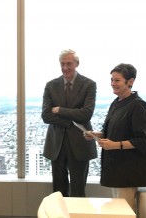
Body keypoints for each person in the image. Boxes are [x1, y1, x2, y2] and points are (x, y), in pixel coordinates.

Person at [85, 63, 146, 212]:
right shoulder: (117, 103)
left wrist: (115, 145)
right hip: (116, 169)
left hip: (128, 171)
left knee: (125, 211)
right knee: (118, 210)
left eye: (117, 80)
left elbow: (142, 140)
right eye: (112, 80)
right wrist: (96, 135)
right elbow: (116, 131)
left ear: (130, 82)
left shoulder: (138, 106)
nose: (113, 84)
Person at [41, 49, 97, 197]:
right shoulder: (51, 85)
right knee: (58, 192)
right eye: (62, 64)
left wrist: (59, 110)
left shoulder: (89, 85)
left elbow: (86, 114)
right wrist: (72, 120)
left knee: (78, 191)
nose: (65, 68)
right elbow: (46, 116)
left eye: (69, 64)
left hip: (80, 143)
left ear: (77, 64)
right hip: (56, 144)